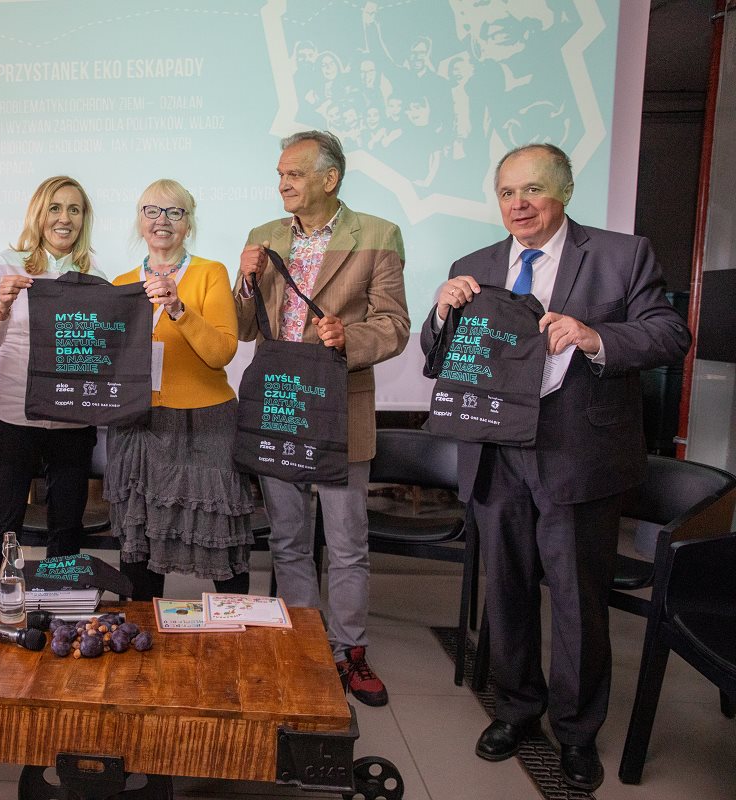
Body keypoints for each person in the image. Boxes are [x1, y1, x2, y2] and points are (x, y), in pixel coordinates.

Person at [420, 143, 690, 791]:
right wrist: (441, 312)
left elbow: (669, 334)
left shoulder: (623, 254)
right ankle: (517, 710)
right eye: (508, 192)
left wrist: (597, 337)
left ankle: (576, 731)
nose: (520, 204)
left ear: (564, 191)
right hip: (495, 453)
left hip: (578, 453)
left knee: (577, 601)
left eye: (534, 189)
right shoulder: (472, 265)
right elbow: (439, 356)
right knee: (508, 593)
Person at [235, 130, 409, 707]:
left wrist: (347, 336)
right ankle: (306, 647)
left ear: (329, 179)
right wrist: (244, 279)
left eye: (295, 174)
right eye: (280, 175)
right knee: (288, 539)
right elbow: (244, 327)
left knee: (347, 543)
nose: (283, 184)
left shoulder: (378, 234)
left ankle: (350, 652)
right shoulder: (263, 237)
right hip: (280, 402)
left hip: (339, 407)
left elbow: (394, 324)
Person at [105, 179, 253, 600]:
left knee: (219, 539)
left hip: (204, 424)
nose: (162, 220)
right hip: (138, 424)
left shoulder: (210, 273)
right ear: (140, 220)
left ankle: (234, 629)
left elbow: (221, 352)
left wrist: (178, 309)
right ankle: (141, 631)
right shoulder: (120, 282)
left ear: (189, 224)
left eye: (175, 212)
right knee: (139, 542)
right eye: (152, 210)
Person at [0, 176, 104, 593]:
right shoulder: (5, 265)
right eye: (55, 207)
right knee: (2, 523)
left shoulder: (96, 276)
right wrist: (1, 306)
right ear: (39, 213)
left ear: (83, 219)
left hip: (72, 418)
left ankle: (60, 612)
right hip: (12, 413)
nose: (64, 218)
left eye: (74, 209)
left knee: (66, 529)